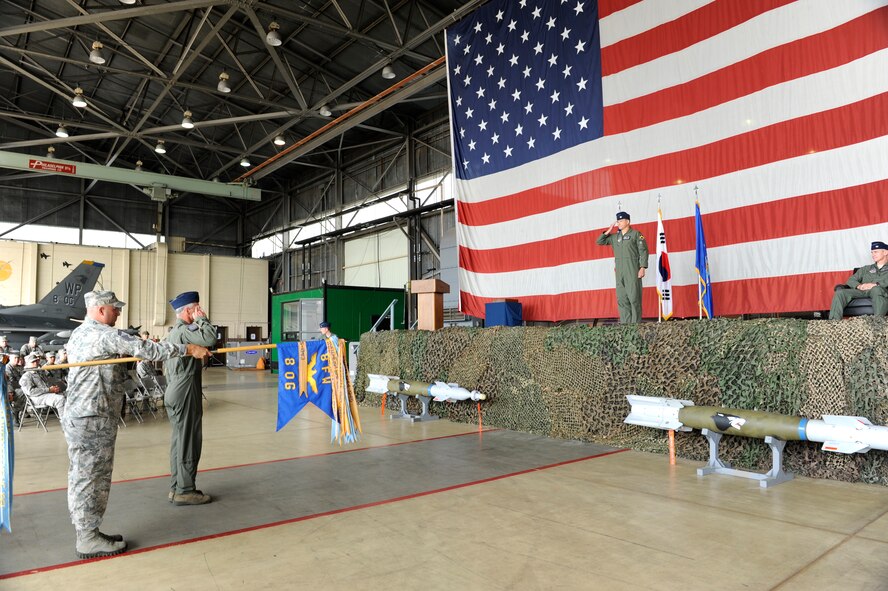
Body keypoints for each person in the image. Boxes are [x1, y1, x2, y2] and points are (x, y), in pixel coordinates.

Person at [62, 290, 211, 559]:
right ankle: (87, 538)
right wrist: (187, 348)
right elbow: (146, 348)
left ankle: (90, 532)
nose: (118, 312)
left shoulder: (80, 333)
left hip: (88, 415)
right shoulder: (102, 334)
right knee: (90, 477)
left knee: (88, 475)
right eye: (114, 308)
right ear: (99, 310)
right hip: (91, 417)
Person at [164, 291, 217, 506]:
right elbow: (210, 338)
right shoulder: (185, 332)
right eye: (197, 308)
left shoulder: (174, 332)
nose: (200, 310)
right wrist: (202, 319)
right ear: (188, 311)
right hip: (185, 388)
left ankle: (176, 487)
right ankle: (185, 490)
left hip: (175, 388)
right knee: (189, 440)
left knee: (179, 440)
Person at [596, 211, 649, 323]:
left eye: (620, 220)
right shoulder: (615, 237)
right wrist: (608, 231)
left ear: (627, 221)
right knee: (622, 299)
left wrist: (643, 267)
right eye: (617, 221)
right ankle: (626, 326)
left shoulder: (636, 234)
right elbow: (599, 241)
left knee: (634, 298)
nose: (618, 223)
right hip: (620, 271)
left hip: (632, 270)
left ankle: (635, 326)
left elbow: (643, 251)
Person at [829, 241, 888, 320]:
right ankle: (834, 323)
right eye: (872, 252)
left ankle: (878, 322)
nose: (873, 255)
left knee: (876, 290)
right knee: (840, 292)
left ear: (885, 252)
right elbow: (851, 280)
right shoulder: (866, 268)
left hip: (880, 291)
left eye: (876, 252)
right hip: (862, 291)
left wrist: (876, 284)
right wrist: (859, 286)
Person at [18, 352, 66, 416]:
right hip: (37, 397)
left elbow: (49, 381)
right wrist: (48, 390)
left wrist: (55, 388)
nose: (35, 363)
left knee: (69, 395)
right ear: (27, 364)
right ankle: (64, 421)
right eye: (33, 362)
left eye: (36, 361)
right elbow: (31, 392)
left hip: (47, 393)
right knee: (60, 399)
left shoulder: (40, 372)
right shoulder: (26, 376)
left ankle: (71, 418)